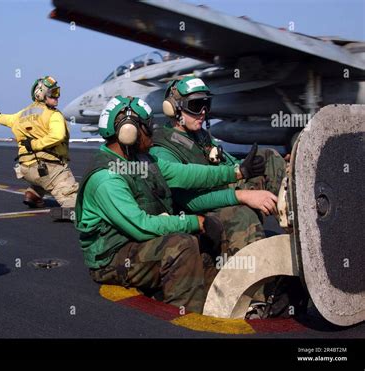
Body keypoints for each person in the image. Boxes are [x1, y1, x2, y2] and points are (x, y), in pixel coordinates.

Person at [75, 95, 265, 314]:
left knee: (202, 253)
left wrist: (236, 172)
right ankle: (184, 320)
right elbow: (141, 226)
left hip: (139, 244)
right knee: (181, 247)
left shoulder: (141, 160)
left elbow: (186, 174)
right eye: (148, 128)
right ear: (129, 133)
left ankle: (234, 306)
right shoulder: (107, 179)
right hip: (112, 258)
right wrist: (196, 222)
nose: (153, 135)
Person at [151, 76, 286, 258]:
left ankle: (288, 220)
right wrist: (243, 196)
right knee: (242, 215)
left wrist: (286, 164)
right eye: (196, 105)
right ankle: (248, 278)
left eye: (207, 104)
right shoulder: (163, 149)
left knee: (267, 157)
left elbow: (230, 164)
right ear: (174, 108)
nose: (203, 112)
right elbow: (190, 201)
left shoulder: (200, 136)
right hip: (196, 211)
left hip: (219, 195)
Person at [0, 76, 78, 211]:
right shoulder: (53, 115)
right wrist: (35, 144)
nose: (57, 97)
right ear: (40, 94)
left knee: (42, 180)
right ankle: (71, 210)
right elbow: (58, 136)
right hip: (47, 167)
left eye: (57, 93)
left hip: (25, 168)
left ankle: (33, 195)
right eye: (53, 94)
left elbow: (9, 119)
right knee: (75, 199)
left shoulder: (23, 114)